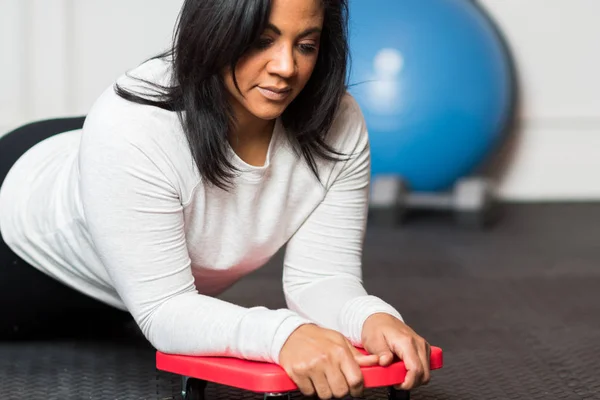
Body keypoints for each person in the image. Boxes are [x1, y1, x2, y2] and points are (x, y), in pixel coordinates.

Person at [0, 0, 432, 398]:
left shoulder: (337, 121)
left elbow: (319, 280)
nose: (286, 67)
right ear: (217, 29)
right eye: (262, 40)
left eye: (306, 44)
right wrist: (282, 335)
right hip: (22, 234)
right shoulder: (132, 128)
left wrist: (371, 318)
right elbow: (164, 310)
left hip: (123, 257)